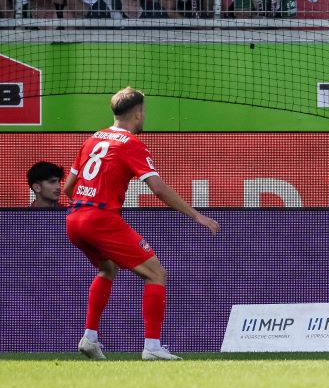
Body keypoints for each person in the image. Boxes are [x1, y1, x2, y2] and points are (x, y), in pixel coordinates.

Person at [62, 86, 220, 361]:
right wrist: (196, 215)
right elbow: (157, 188)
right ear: (137, 113)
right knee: (156, 273)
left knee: (107, 269)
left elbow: (68, 189)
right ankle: (152, 346)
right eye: (143, 111)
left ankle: (90, 337)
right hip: (101, 218)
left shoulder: (92, 140)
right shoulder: (131, 143)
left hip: (75, 219)